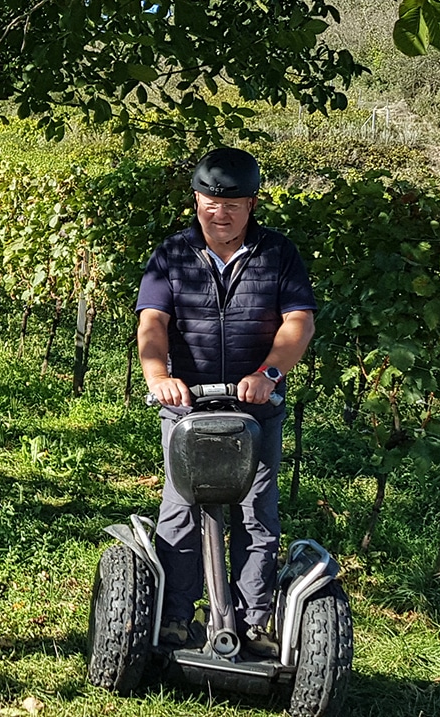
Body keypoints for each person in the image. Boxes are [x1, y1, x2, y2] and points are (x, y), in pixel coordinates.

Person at [134, 146, 316, 658]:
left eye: (233, 203)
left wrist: (268, 374)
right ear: (196, 201)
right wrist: (159, 376)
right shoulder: (172, 255)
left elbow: (298, 321)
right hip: (187, 404)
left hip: (255, 405)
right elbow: (153, 321)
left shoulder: (277, 254)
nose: (221, 212)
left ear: (251, 204)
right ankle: (176, 619)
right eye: (212, 202)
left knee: (256, 511)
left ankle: (253, 622)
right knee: (180, 511)